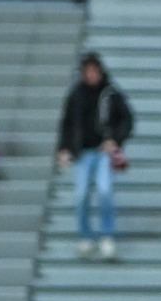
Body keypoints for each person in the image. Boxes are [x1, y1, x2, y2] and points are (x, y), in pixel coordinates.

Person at [56, 52, 132, 260]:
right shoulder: (76, 94)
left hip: (102, 152)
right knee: (81, 195)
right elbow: (67, 124)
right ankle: (85, 237)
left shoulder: (111, 93)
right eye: (87, 71)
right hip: (82, 153)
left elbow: (126, 119)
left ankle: (107, 236)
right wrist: (64, 148)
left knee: (105, 191)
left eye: (94, 70)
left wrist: (116, 140)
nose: (91, 75)